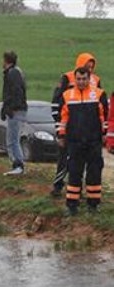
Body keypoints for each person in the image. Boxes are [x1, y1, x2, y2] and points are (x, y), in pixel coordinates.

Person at [57, 67, 108, 216]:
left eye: (84, 79)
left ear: (89, 78)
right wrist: (61, 135)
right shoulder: (67, 96)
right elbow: (63, 118)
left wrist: (104, 135)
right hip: (74, 141)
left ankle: (93, 205)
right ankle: (72, 205)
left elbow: (103, 117)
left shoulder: (98, 94)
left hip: (93, 141)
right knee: (74, 172)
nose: (81, 82)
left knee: (94, 172)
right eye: (78, 79)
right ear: (75, 79)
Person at [50, 53, 102, 197]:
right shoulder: (67, 78)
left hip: (89, 132)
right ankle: (58, 185)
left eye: (91, 67)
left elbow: (102, 108)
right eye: (87, 66)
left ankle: (84, 191)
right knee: (65, 159)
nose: (89, 69)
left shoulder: (96, 81)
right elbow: (57, 103)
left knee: (90, 165)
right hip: (69, 128)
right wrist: (59, 126)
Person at [1, 51, 28, 176]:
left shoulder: (13, 73)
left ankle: (18, 165)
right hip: (17, 109)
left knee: (13, 139)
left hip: (16, 111)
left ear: (7, 61)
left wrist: (11, 108)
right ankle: (17, 164)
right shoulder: (16, 72)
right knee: (12, 138)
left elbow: (16, 92)